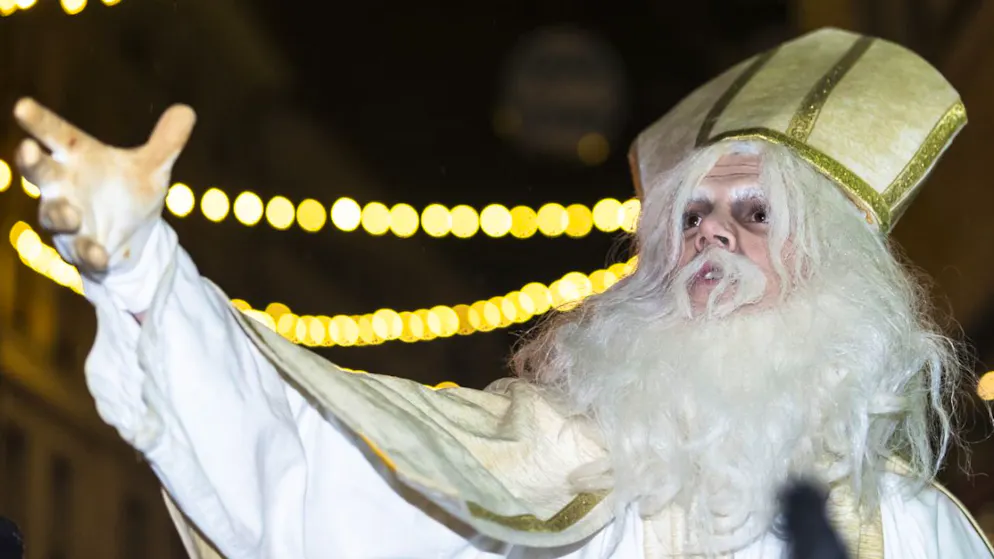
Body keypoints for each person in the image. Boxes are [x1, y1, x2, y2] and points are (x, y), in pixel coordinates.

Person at [10, 27, 994, 558]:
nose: (710, 238)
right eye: (689, 218)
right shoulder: (566, 477)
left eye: (754, 215)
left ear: (831, 269)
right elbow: (312, 467)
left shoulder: (918, 532)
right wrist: (140, 263)